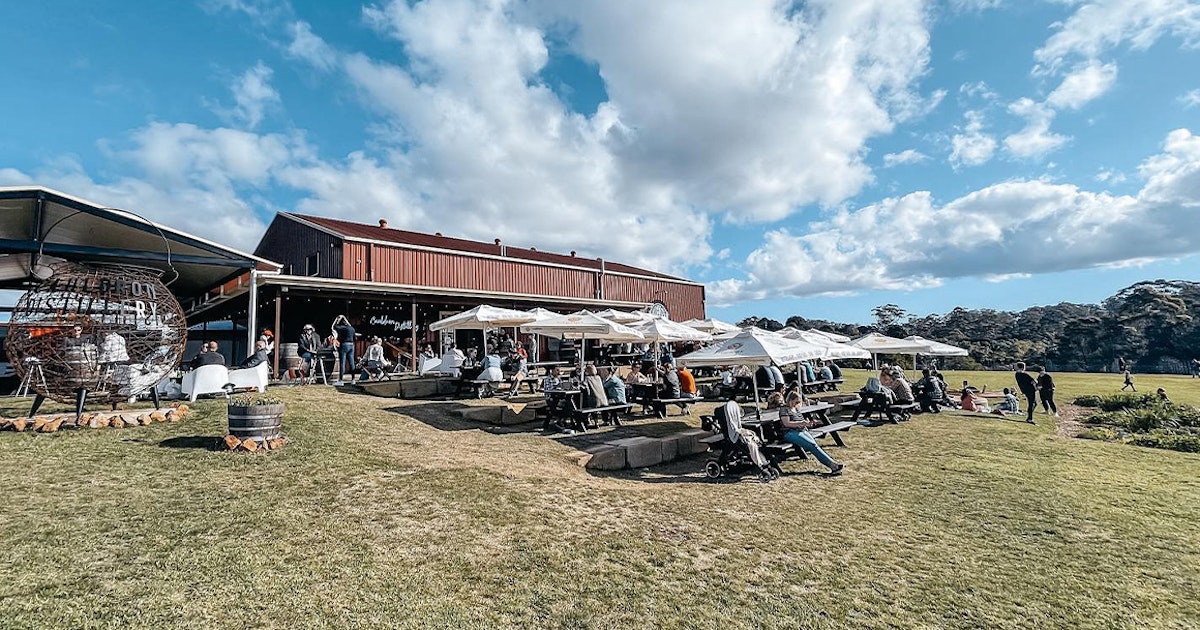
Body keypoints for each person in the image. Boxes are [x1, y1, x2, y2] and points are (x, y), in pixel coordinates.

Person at [778, 392, 844, 475]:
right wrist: (801, 423)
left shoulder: (796, 409)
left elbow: (800, 421)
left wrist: (807, 424)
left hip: (801, 430)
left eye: (798, 402)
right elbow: (786, 423)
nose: (797, 404)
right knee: (811, 445)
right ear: (790, 400)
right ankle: (832, 465)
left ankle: (832, 464)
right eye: (796, 402)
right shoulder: (784, 409)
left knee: (814, 445)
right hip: (789, 432)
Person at [332, 315, 356, 385]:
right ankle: (353, 379)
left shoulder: (342, 328)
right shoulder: (352, 328)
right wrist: (345, 318)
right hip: (352, 345)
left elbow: (334, 326)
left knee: (342, 363)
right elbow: (355, 338)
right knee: (352, 363)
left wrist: (337, 319)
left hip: (345, 345)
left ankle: (341, 380)